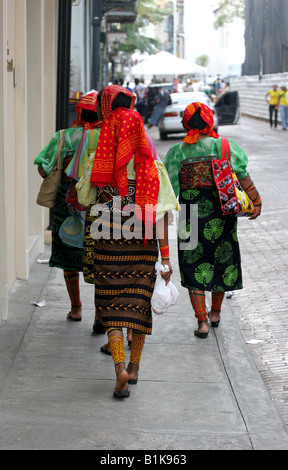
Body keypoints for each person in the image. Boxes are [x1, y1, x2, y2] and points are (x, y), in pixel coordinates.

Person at [88, 84, 178, 398]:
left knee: (110, 307)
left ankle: (119, 369)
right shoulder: (154, 169)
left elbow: (82, 200)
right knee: (138, 306)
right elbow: (163, 215)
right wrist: (165, 258)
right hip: (142, 247)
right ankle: (136, 368)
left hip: (107, 246)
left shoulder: (98, 164)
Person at [164, 101, 262, 339]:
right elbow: (244, 177)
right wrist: (256, 202)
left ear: (186, 123)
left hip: (189, 215)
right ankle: (215, 313)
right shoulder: (225, 146)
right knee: (222, 261)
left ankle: (202, 323)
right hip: (222, 213)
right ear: (210, 121)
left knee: (192, 265)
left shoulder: (177, 152)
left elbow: (168, 190)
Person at [34, 91, 103, 328]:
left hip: (69, 202)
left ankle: (76, 308)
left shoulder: (63, 136)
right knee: (100, 260)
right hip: (99, 202)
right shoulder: (107, 136)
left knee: (69, 254)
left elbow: (43, 167)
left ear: (79, 111)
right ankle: (100, 315)